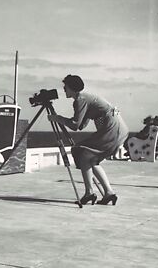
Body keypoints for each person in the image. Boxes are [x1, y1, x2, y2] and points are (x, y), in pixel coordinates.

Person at [48, 75, 129, 206]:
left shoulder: (80, 99)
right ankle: (108, 193)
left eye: (66, 87)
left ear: (72, 88)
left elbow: (74, 125)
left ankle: (89, 193)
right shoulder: (85, 98)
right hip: (118, 127)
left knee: (81, 152)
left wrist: (57, 118)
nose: (64, 89)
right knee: (90, 158)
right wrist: (70, 120)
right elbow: (81, 125)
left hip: (111, 128)